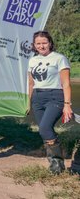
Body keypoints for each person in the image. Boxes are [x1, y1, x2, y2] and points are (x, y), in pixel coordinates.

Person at [28, 31, 73, 174]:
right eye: (38, 43)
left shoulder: (59, 58)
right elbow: (30, 83)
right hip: (37, 97)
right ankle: (53, 162)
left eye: (44, 43)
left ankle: (58, 162)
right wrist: (27, 102)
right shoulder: (32, 60)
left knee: (44, 128)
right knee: (44, 130)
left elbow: (66, 84)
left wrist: (67, 104)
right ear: (34, 45)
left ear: (50, 43)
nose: (41, 46)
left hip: (55, 96)